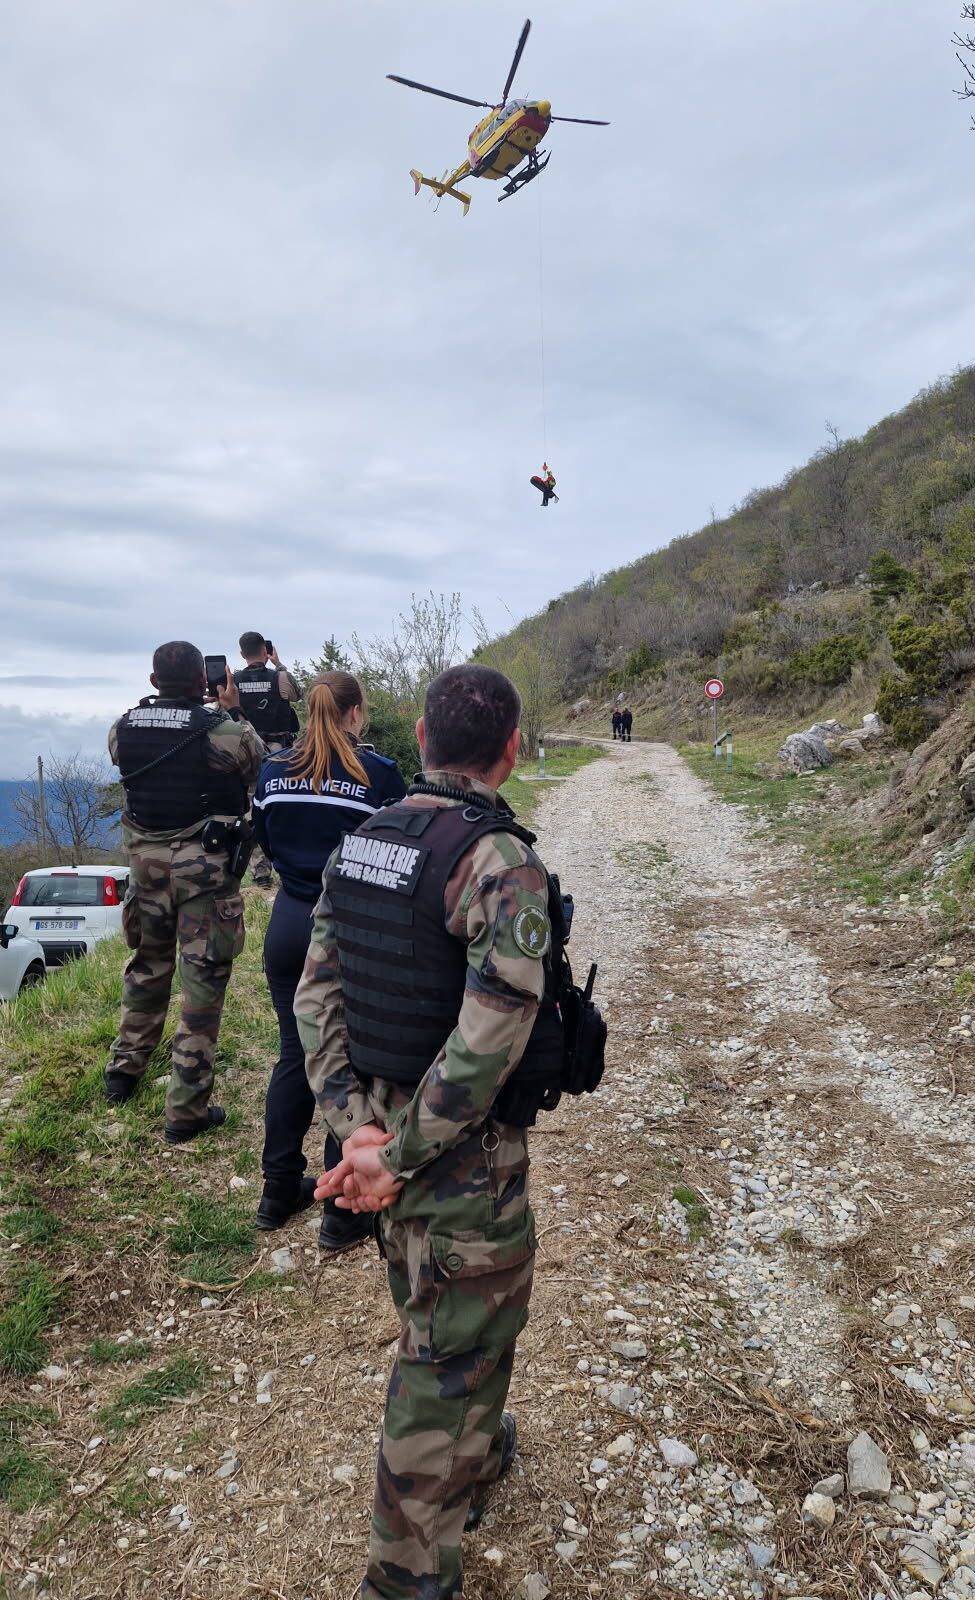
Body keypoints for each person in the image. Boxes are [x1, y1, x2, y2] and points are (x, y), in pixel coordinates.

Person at [296, 665, 569, 1600]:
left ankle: (478, 1458)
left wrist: (356, 1132)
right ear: (512, 748)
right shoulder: (497, 862)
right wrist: (400, 1153)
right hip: (460, 1158)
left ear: (418, 733)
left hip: (383, 1127)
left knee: (447, 1312)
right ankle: (404, 1577)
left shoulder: (361, 842)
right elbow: (495, 1029)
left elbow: (316, 994)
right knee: (444, 1355)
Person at [251, 671, 407, 1251]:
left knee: (296, 1051)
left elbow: (264, 839)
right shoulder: (379, 775)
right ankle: (341, 1215)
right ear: (355, 713)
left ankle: (276, 1191)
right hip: (347, 926)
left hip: (289, 919)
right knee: (353, 1062)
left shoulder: (272, 773)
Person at [104, 640, 264, 1142]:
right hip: (205, 877)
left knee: (147, 968)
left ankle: (123, 1072)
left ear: (153, 681)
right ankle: (185, 1111)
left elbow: (124, 759)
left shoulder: (122, 728)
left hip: (145, 872)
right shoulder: (225, 731)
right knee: (201, 990)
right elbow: (256, 763)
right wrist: (231, 708)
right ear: (204, 681)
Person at [233, 631, 302, 887]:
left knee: (251, 811)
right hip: (278, 752)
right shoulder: (279, 676)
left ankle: (260, 873)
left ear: (242, 654)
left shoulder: (234, 682)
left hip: (246, 754)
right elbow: (298, 694)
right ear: (266, 650)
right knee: (280, 806)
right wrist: (279, 664)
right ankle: (286, 864)